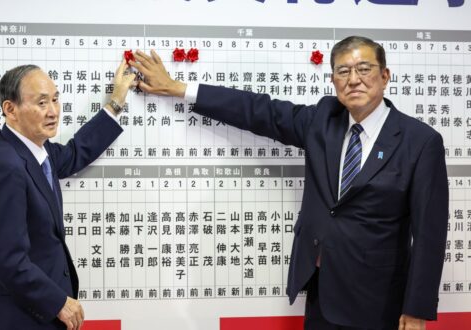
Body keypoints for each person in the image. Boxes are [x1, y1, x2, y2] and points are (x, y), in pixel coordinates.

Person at [130, 36, 448, 330]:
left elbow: (429, 236)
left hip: (379, 302)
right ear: (333, 80)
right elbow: (259, 110)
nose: (354, 80)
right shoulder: (323, 120)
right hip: (322, 292)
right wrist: (177, 88)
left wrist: (416, 308)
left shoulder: (419, 142)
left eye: (364, 69)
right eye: (343, 71)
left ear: (385, 76)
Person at [0, 61, 136, 330]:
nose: (53, 112)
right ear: (10, 109)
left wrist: (117, 101)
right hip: (18, 318)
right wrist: (57, 301)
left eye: (56, 100)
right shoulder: (5, 166)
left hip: (36, 312)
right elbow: (6, 259)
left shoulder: (36, 149)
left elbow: (74, 154)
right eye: (41, 103)